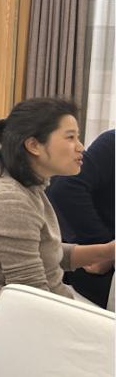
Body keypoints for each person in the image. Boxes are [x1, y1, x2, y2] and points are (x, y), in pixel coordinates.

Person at [0, 99, 115, 358]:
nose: (81, 147)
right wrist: (91, 327)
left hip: (29, 322)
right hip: (7, 335)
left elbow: (45, 253)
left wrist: (107, 251)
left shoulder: (25, 187)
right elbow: (32, 295)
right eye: (70, 137)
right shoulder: (7, 199)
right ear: (33, 145)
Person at [48, 129, 115, 307]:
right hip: (97, 271)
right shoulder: (112, 143)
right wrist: (100, 247)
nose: (79, 146)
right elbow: (65, 190)